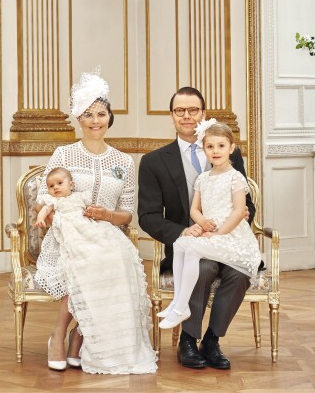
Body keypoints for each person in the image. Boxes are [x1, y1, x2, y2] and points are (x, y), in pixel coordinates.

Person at [34, 70, 157, 375]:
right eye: (88, 114)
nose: (95, 120)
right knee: (84, 264)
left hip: (106, 238)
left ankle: (81, 336)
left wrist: (106, 216)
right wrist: (47, 211)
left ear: (109, 117)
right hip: (68, 237)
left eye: (101, 114)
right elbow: (42, 195)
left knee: (115, 261)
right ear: (79, 118)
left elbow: (127, 213)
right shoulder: (64, 154)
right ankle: (60, 335)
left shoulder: (124, 162)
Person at [138, 86, 255, 370]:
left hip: (228, 240)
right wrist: (184, 231)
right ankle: (188, 341)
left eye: (193, 110)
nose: (187, 116)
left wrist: (233, 228)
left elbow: (246, 205)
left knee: (240, 274)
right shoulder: (154, 162)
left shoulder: (227, 151)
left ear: (203, 113)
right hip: (190, 246)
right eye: (180, 111)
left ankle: (212, 341)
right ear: (172, 116)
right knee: (204, 269)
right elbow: (148, 216)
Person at [157, 120, 261, 330]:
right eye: (210, 146)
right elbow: (195, 209)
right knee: (179, 245)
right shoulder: (203, 179)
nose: (215, 151)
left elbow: (240, 211)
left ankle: (181, 308)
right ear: (203, 149)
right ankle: (178, 301)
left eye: (221, 146)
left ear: (231, 148)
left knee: (193, 249)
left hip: (232, 237)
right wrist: (202, 221)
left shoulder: (235, 177)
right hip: (212, 231)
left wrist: (218, 234)